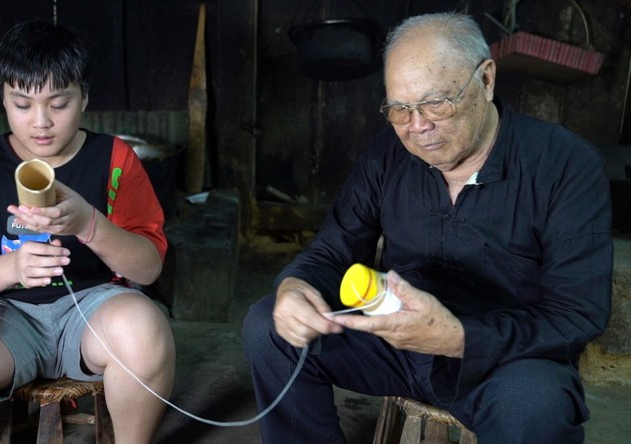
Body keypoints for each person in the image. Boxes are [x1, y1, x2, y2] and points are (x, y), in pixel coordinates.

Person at [242, 11, 613, 444]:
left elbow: (577, 314)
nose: (418, 127)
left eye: (437, 103)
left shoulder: (565, 165)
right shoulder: (387, 154)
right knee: (269, 325)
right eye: (400, 109)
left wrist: (458, 338)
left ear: (487, 79)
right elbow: (333, 250)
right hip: (397, 343)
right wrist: (295, 285)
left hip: (503, 360)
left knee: (535, 406)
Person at [0, 21, 175, 443]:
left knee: (144, 327)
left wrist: (89, 224)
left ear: (84, 97)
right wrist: (12, 267)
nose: (41, 122)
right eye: (22, 103)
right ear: (3, 99)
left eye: (58, 103)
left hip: (94, 312)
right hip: (3, 316)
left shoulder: (114, 157)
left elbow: (148, 269)